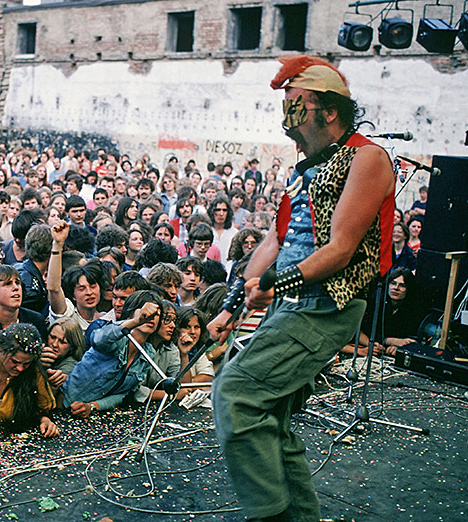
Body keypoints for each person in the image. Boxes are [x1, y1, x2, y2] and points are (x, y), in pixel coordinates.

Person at [208, 55, 395, 521]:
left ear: (328, 110)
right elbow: (275, 238)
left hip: (327, 305)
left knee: (236, 392)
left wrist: (276, 283)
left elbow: (341, 249)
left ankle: (269, 517)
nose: (285, 112)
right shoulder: (306, 167)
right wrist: (233, 303)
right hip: (295, 303)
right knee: (274, 419)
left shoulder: (367, 158)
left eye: (294, 102)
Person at [61, 290, 162, 417]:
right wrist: (137, 321)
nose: (151, 317)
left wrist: (93, 406)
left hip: (92, 415)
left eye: (157, 314)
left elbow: (123, 394)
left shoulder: (148, 354)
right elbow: (98, 339)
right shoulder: (116, 337)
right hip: (62, 405)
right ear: (131, 312)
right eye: (146, 310)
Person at [0, 324, 59, 437]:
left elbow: (42, 407)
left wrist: (45, 420)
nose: (20, 369)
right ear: (1, 350)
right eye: (15, 361)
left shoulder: (34, 370)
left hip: (13, 436)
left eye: (26, 363)